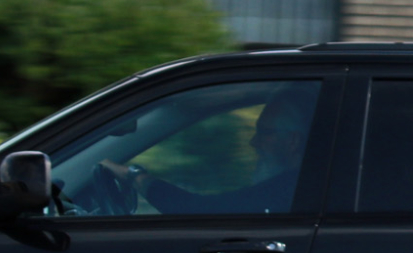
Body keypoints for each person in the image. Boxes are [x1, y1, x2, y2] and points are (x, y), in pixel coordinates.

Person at [98, 91, 315, 216]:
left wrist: (133, 176)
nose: (253, 142)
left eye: (265, 133)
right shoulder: (298, 188)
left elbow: (199, 210)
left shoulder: (286, 190)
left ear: (293, 141)